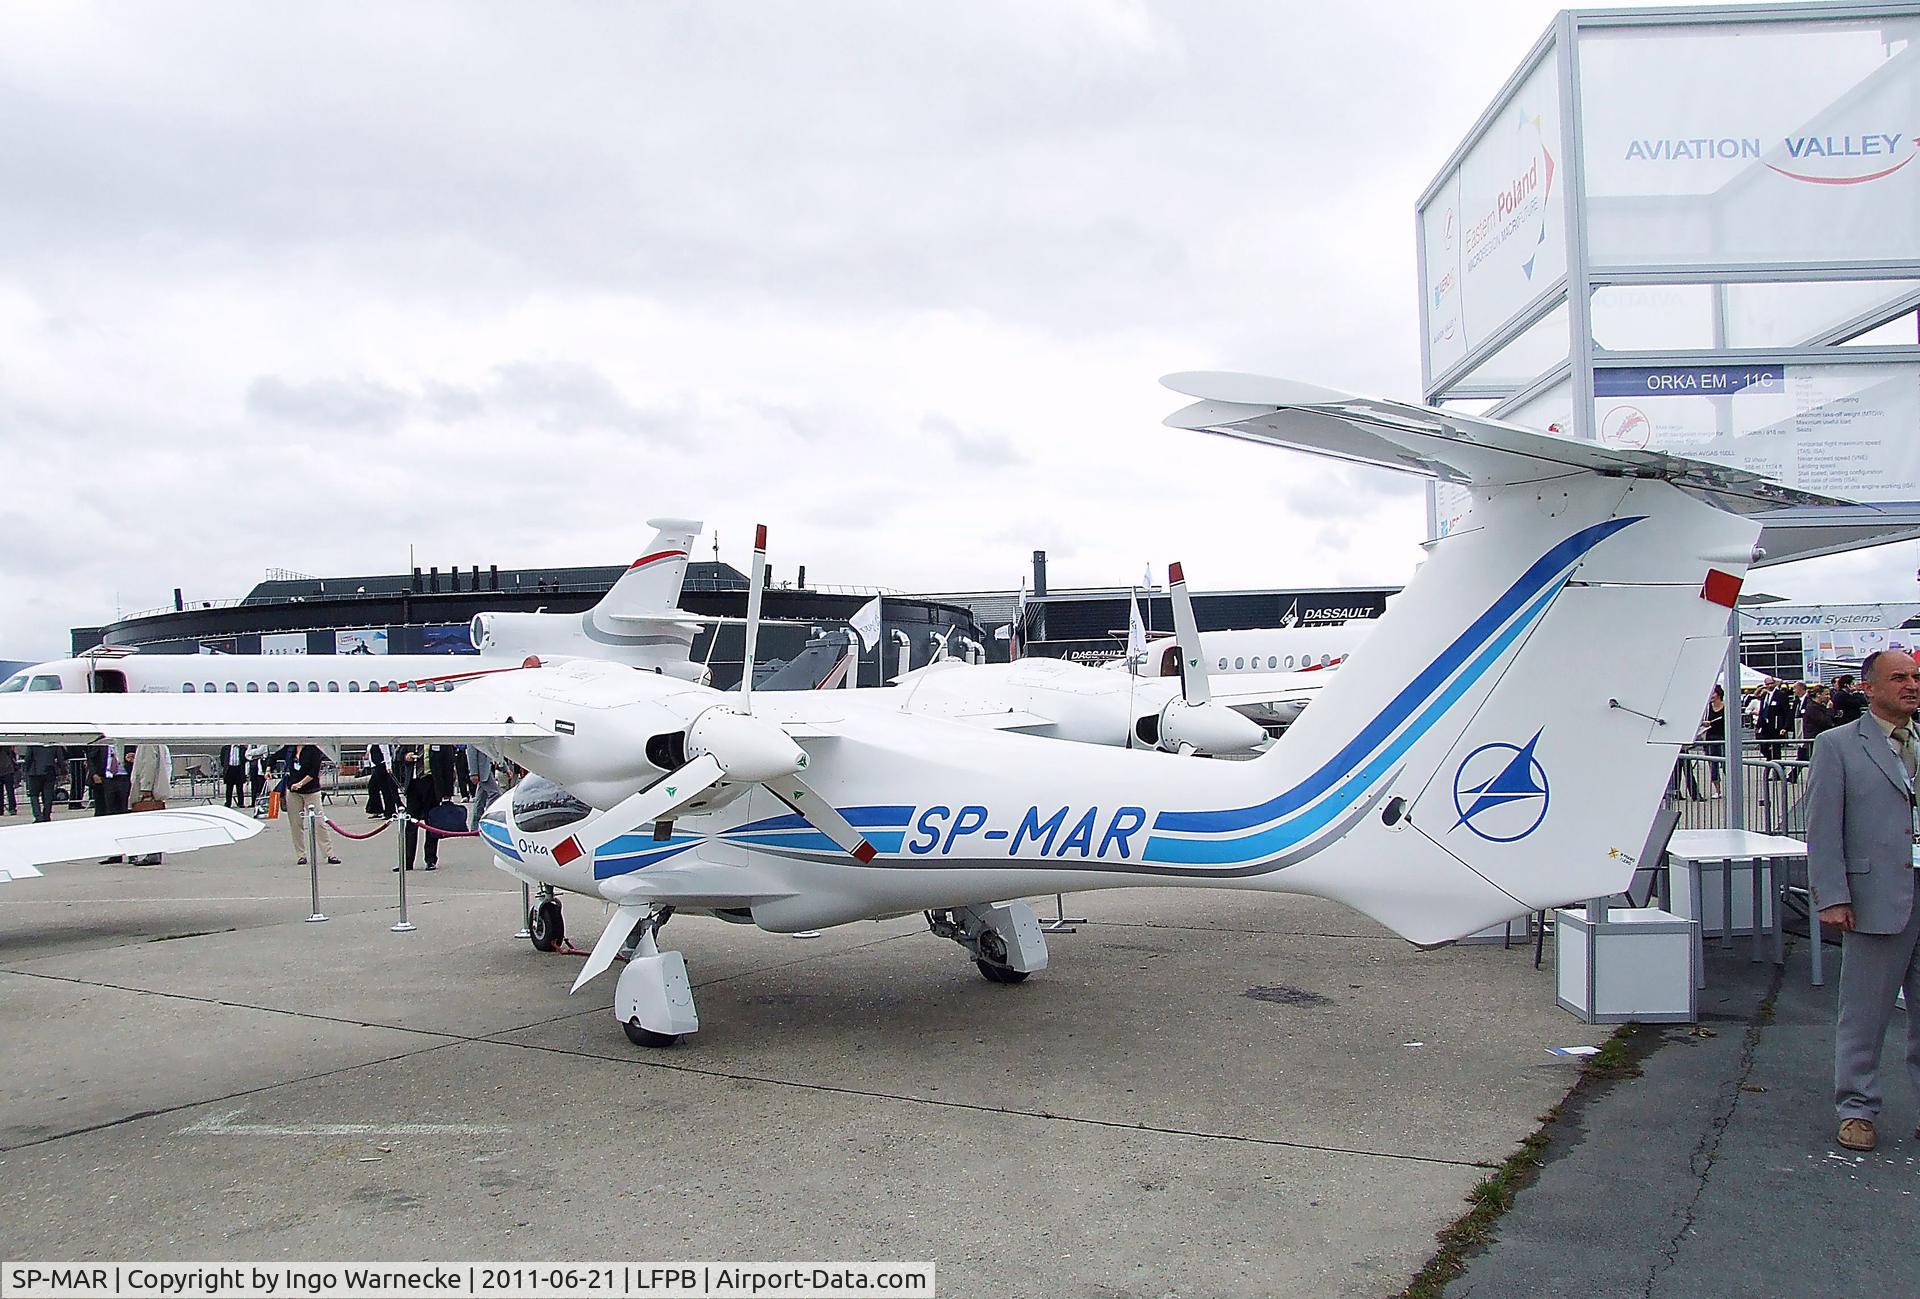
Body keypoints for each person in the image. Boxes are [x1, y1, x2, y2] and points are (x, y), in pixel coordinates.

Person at [1806, 649, 1920, 1152]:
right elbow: (1823, 827)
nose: (1911, 685)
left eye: (1916, 677)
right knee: (1866, 1013)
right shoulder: (1838, 746)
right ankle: (1857, 1108)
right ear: (1869, 687)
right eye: (1899, 678)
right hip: (1875, 899)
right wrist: (1831, 895)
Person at [398, 743, 456, 871]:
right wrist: (405, 757)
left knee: (431, 824)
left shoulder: (440, 741)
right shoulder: (410, 739)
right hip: (413, 784)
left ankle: (430, 859)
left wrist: (447, 792)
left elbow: (448, 765)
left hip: (432, 784)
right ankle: (407, 861)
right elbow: (398, 756)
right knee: (410, 824)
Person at [283, 743, 340, 867]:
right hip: (293, 791)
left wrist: (300, 784)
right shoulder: (290, 749)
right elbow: (274, 756)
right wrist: (268, 769)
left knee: (319, 822)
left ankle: (329, 854)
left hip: (311, 790)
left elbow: (314, 772)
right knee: (296, 824)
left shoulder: (313, 749)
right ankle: (301, 855)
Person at [127, 742, 172, 865]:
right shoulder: (156, 742)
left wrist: (146, 787)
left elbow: (149, 765)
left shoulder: (146, 742)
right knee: (153, 822)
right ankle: (154, 853)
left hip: (148, 789)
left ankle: (153, 853)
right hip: (155, 786)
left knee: (148, 822)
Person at [89, 743, 131, 861]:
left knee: (126, 815)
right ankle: (115, 853)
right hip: (108, 779)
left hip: (125, 778)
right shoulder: (101, 742)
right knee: (111, 816)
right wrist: (94, 774)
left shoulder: (127, 742)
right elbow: (91, 757)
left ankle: (132, 853)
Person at [23, 744, 61, 823]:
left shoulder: (33, 743)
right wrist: (62, 770)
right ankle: (46, 815)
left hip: (34, 772)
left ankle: (38, 816)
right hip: (50, 771)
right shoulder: (54, 743)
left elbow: (28, 758)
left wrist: (26, 769)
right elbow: (60, 757)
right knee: (48, 796)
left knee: (34, 795)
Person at [466, 745, 502, 823]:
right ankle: (488, 819)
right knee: (495, 794)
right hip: (482, 771)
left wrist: (505, 768)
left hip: (488, 768)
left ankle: (475, 825)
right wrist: (473, 773)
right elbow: (471, 753)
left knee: (480, 799)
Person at [364, 742, 399, 819]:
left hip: (382, 766)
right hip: (375, 766)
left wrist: (388, 766)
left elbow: (386, 753)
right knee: (372, 787)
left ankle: (390, 812)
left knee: (385, 789)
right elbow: (369, 754)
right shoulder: (371, 742)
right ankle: (376, 809)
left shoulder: (382, 741)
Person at [220, 744, 248, 809]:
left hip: (239, 768)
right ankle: (228, 803)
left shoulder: (242, 748)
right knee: (229, 787)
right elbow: (222, 758)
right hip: (230, 768)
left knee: (240, 787)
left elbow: (244, 759)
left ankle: (241, 803)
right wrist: (225, 766)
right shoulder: (226, 748)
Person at [0, 744, 17, 816]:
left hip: (4, 770)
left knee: (0, 792)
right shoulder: (6, 746)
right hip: (8, 770)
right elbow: (12, 755)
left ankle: (0, 809)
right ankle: (12, 808)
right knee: (10, 791)